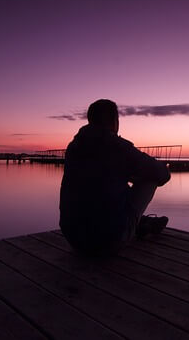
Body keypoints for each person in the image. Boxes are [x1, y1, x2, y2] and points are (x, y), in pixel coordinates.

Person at [60, 99, 171, 256]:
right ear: (114, 121)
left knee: (109, 183)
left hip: (73, 238)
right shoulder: (118, 147)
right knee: (150, 178)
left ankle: (139, 223)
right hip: (108, 242)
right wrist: (148, 171)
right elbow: (162, 175)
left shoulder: (74, 147)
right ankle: (134, 224)